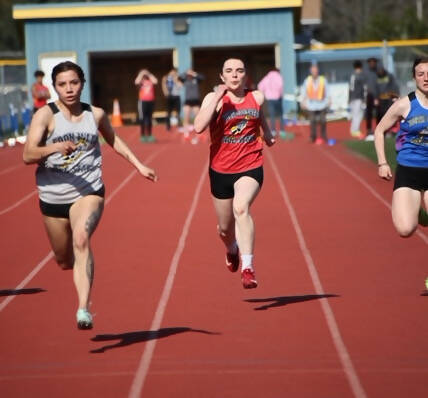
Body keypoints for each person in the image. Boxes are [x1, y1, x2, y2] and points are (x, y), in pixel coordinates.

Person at [23, 61, 158, 330]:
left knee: (82, 238)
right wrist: (54, 148)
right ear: (54, 87)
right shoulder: (45, 116)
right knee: (64, 260)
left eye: (74, 82)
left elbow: (113, 138)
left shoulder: (95, 115)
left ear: (82, 83)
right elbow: (27, 155)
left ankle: (83, 308)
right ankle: (76, 264)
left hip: (88, 191)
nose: (69, 89)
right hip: (52, 196)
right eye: (62, 84)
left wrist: (139, 164)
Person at [194, 58, 275, 289]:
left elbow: (260, 118)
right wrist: (218, 98)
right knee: (224, 229)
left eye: (239, 71)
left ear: (245, 75)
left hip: (250, 165)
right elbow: (199, 127)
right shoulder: (214, 99)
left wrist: (267, 134)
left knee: (241, 207)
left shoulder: (256, 97)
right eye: (229, 71)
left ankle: (248, 268)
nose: (235, 75)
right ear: (222, 77)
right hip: (220, 170)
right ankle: (232, 248)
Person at [374, 58, 428, 289]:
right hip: (409, 172)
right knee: (406, 229)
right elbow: (379, 130)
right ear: (414, 77)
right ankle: (421, 215)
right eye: (421, 73)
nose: (426, 77)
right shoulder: (405, 104)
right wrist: (382, 163)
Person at [301, 64, 331, 144]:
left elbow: (327, 91)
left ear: (318, 71)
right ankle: (313, 136)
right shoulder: (307, 80)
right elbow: (303, 92)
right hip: (311, 105)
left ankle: (323, 136)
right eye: (313, 71)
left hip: (322, 104)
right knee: (312, 121)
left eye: (316, 71)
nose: (314, 72)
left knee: (323, 120)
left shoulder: (323, 80)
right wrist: (303, 102)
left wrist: (329, 100)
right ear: (311, 71)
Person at [257, 68, 287, 139]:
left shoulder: (267, 77)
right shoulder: (279, 76)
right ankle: (282, 131)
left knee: (272, 116)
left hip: (270, 99)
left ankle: (273, 131)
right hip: (278, 98)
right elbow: (281, 86)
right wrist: (280, 94)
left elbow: (260, 86)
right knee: (281, 115)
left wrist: (264, 94)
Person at [179, 69, 204, 139]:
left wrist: (194, 74)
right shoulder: (185, 79)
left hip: (196, 101)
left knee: (198, 118)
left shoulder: (196, 79)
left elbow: (202, 77)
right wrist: (185, 73)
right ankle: (186, 133)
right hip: (188, 101)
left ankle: (199, 133)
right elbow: (179, 77)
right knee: (186, 117)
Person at [135, 69, 158, 142]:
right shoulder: (141, 82)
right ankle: (142, 135)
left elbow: (155, 81)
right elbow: (136, 82)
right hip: (142, 102)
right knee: (142, 118)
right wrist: (141, 73)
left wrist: (148, 73)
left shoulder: (150, 81)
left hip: (150, 101)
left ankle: (149, 134)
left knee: (150, 118)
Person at [348, 60, 367, 139]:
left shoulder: (352, 75)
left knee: (355, 114)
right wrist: (364, 98)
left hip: (353, 98)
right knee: (358, 115)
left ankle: (354, 130)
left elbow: (350, 88)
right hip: (358, 98)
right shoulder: (360, 76)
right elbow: (364, 88)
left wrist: (349, 98)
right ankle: (355, 131)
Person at [364, 57, 379, 141]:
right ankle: (369, 130)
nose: (372, 64)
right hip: (369, 95)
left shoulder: (378, 72)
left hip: (378, 95)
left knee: (378, 114)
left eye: (374, 62)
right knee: (368, 114)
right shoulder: (366, 72)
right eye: (370, 62)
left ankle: (378, 129)